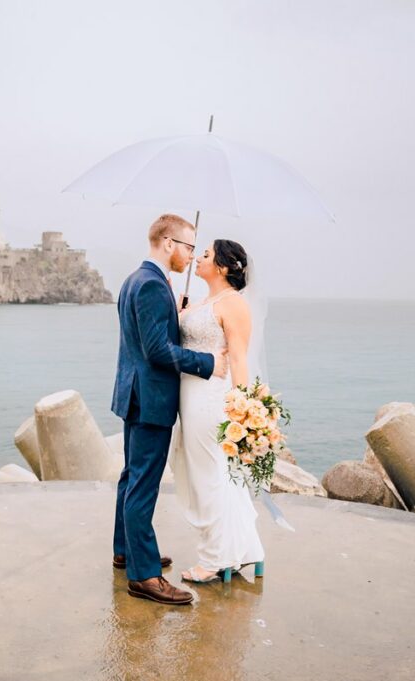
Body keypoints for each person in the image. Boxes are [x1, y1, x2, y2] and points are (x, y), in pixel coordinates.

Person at [111, 214, 228, 606]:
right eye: (189, 246)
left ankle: (127, 552)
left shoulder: (138, 280)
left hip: (134, 394)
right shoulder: (151, 286)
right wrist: (208, 363)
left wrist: (172, 316)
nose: (192, 255)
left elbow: (147, 337)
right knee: (143, 484)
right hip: (150, 401)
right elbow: (156, 351)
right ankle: (144, 576)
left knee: (131, 477)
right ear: (167, 243)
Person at [169, 239, 266, 584]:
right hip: (190, 397)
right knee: (214, 476)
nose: (198, 258)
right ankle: (247, 550)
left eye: (206, 255)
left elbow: (239, 359)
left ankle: (215, 559)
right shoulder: (203, 301)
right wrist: (180, 312)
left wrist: (243, 407)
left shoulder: (233, 304)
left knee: (210, 477)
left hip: (211, 400)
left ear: (223, 267)